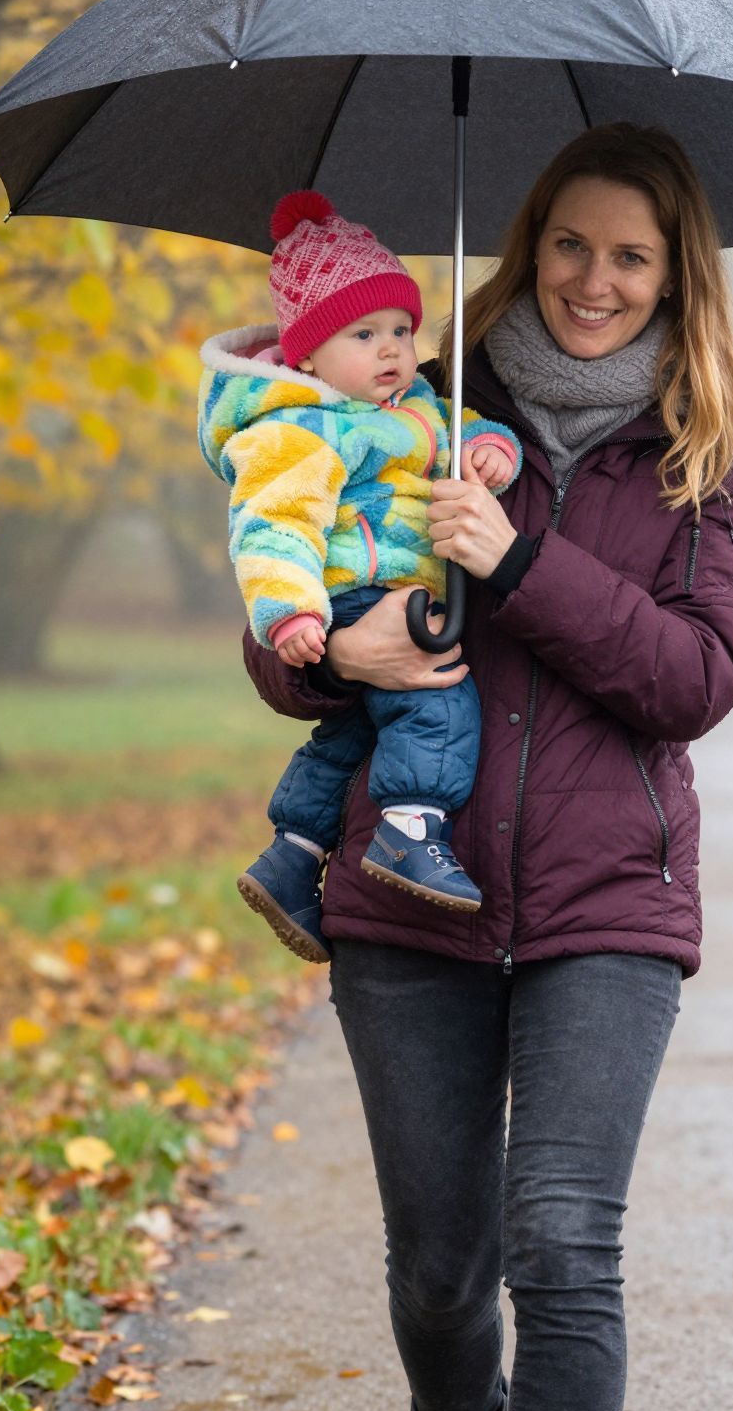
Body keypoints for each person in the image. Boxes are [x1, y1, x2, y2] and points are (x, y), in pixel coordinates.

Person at [241, 124, 733, 1411]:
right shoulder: (413, 395)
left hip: (607, 898)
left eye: (632, 255)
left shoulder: (716, 441)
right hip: (411, 896)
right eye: (570, 246)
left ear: (677, 271)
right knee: (437, 1269)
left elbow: (696, 679)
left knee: (563, 1238)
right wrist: (338, 639)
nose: (597, 281)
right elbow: (288, 607)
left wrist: (523, 561)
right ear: (528, 245)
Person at [197, 191, 522, 959]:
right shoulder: (297, 429)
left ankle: (291, 857)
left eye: (404, 331)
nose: (393, 351)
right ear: (308, 354)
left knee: (349, 735)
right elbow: (272, 526)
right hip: (350, 595)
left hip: (390, 590)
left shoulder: (415, 406)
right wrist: (292, 617)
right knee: (436, 703)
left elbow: (466, 428)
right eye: (365, 334)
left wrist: (490, 452)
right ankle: (412, 829)